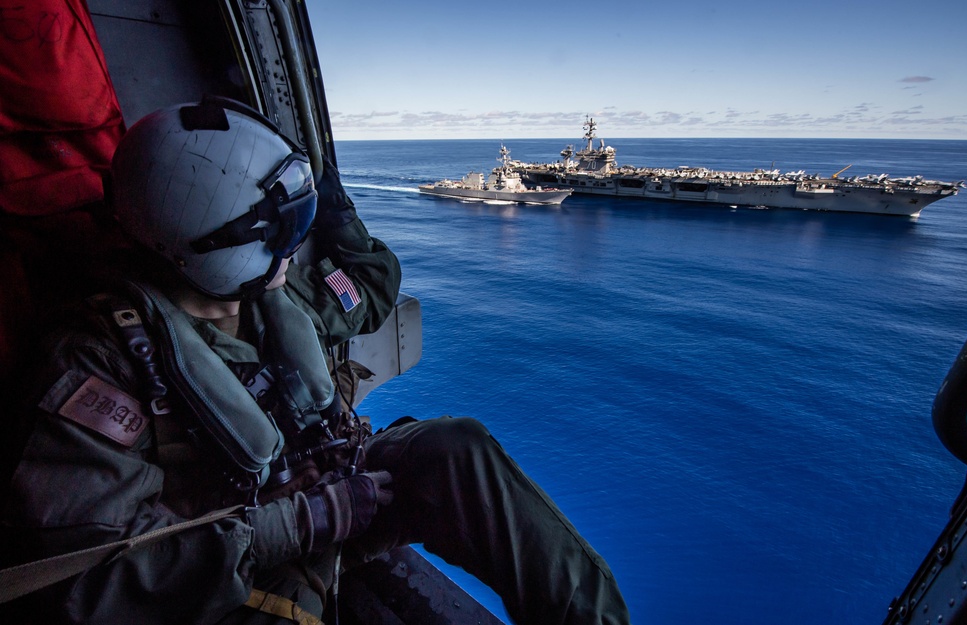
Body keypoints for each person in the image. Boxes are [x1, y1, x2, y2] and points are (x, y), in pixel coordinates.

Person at [0, 98, 630, 625]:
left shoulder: (274, 297)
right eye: (279, 228)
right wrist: (295, 526)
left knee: (455, 448)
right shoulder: (97, 364)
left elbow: (371, 282)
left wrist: (331, 203)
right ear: (212, 248)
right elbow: (84, 585)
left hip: (337, 486)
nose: (292, 246)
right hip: (230, 571)